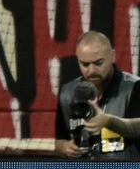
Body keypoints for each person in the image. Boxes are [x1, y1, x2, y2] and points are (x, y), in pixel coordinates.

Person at [54, 31, 140, 160]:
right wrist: (64, 147)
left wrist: (109, 121)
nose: (92, 70)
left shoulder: (134, 87)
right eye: (85, 64)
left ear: (112, 56)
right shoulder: (67, 93)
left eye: (98, 63)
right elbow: (59, 141)